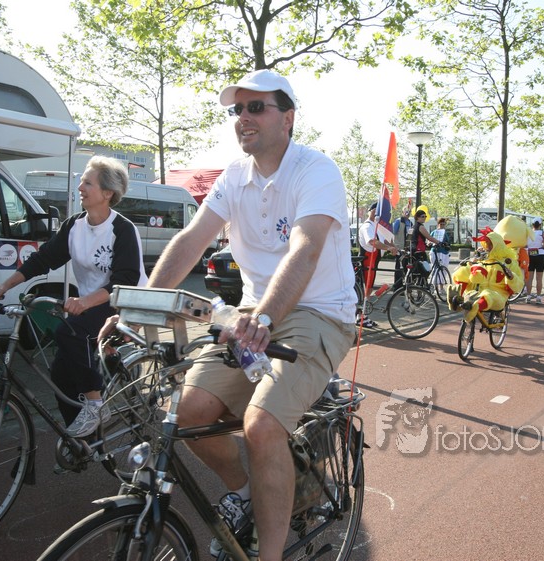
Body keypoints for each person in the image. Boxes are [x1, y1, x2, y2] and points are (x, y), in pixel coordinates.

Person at [101, 69, 356, 561]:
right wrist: (137, 306)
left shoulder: (316, 170)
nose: (243, 117)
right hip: (253, 313)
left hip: (319, 313)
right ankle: (247, 492)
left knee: (261, 426)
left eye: (256, 107)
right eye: (238, 109)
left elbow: (305, 249)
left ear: (288, 118)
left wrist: (264, 318)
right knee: (185, 412)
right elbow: (192, 240)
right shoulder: (234, 176)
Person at [0, 156, 147, 438]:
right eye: (81, 181)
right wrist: (6, 285)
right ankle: (81, 442)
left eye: (87, 183)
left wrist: (84, 302)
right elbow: (43, 259)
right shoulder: (74, 226)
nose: (80, 187)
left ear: (107, 193)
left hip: (123, 303)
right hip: (93, 303)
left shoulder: (123, 229)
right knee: (60, 375)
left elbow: (125, 281)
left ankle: (96, 405)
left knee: (70, 332)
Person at [358, 201, 399, 327]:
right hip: (367, 261)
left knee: (369, 289)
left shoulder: (377, 226)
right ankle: (361, 317)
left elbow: (385, 240)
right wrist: (389, 248)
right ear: (369, 211)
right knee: (366, 289)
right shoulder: (367, 226)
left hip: (374, 262)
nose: (376, 213)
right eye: (374, 210)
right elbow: (372, 241)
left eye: (378, 211)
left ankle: (363, 316)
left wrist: (395, 247)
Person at [524, 218, 544, 304]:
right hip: (540, 255)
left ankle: (528, 296)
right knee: (539, 278)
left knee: (529, 278)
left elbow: (524, 245)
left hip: (529, 255)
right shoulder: (542, 233)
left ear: (532, 225)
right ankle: (538, 297)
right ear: (540, 225)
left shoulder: (528, 233)